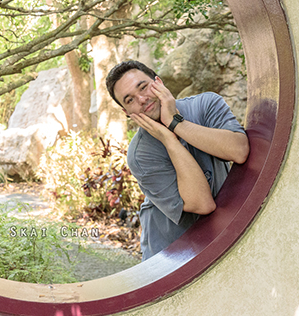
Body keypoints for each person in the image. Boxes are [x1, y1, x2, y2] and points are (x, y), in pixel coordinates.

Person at [105, 60, 249, 260]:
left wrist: (175, 123)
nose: (142, 99)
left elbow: (239, 150)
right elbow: (202, 204)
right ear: (127, 113)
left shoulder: (206, 104)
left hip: (224, 235)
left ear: (159, 82)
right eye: (129, 100)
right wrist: (169, 140)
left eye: (144, 87)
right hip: (171, 254)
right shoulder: (140, 155)